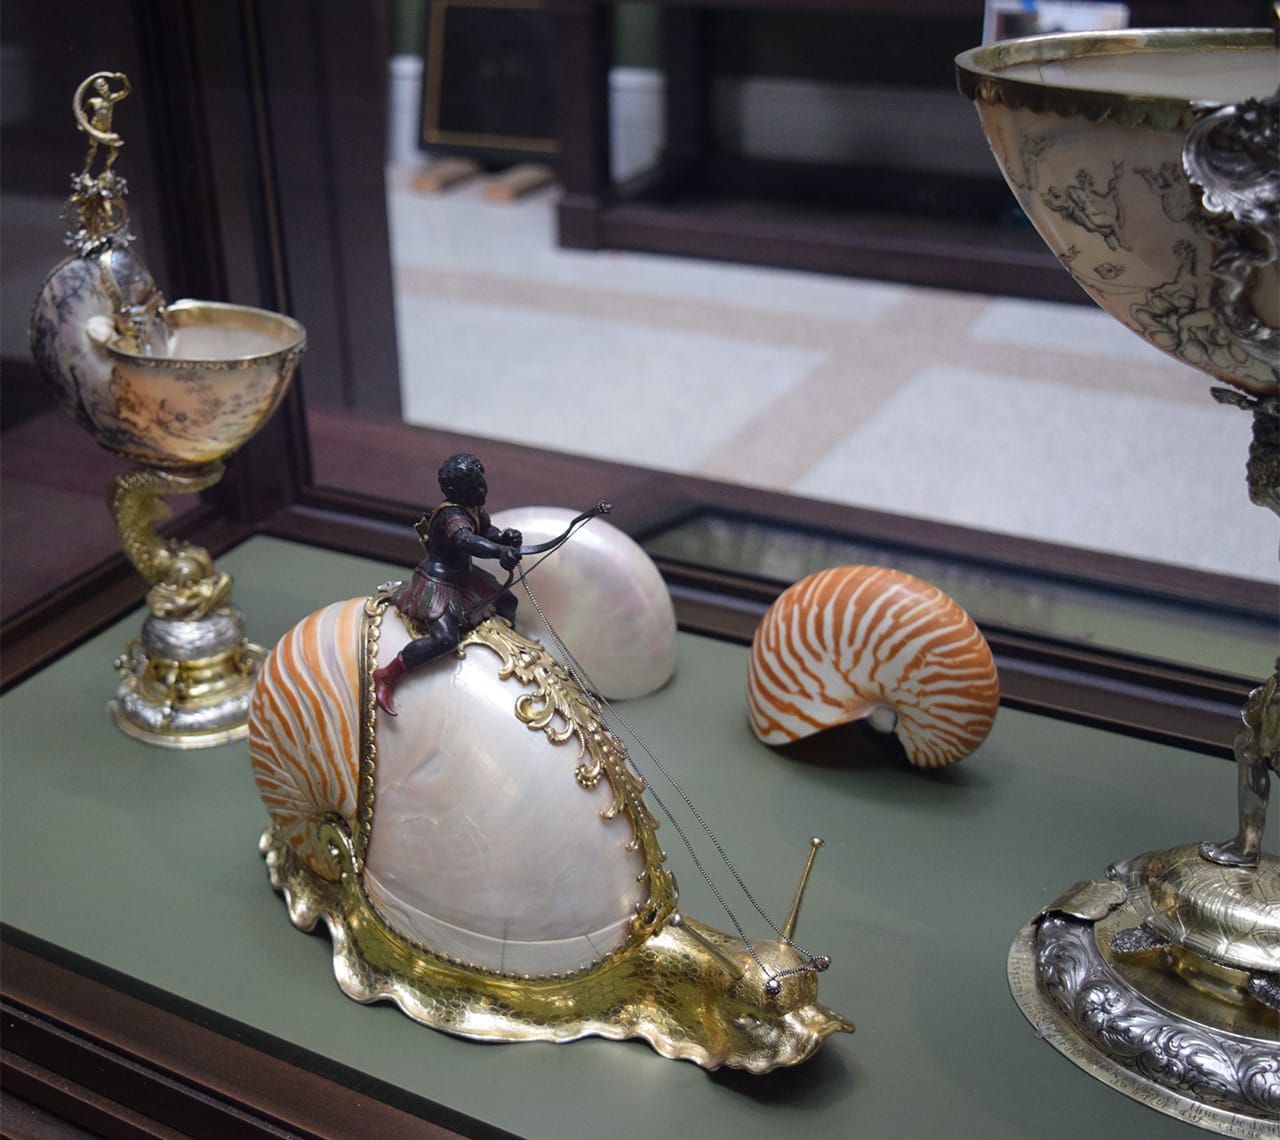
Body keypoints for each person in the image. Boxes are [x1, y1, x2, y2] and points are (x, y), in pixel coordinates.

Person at [373, 454, 522, 715]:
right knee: (445, 639)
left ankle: (515, 648)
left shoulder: (472, 507)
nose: (481, 492)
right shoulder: (452, 515)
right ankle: (387, 674)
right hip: (439, 581)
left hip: (463, 574)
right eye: (475, 488)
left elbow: (486, 532)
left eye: (481, 485)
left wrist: (505, 538)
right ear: (456, 491)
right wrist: (499, 552)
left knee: (508, 601)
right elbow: (467, 541)